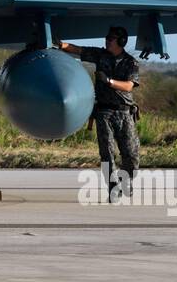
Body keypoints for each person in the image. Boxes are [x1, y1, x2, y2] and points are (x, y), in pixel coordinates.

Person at [55, 27, 141, 199]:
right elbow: (79, 50)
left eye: (111, 38)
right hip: (104, 112)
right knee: (107, 152)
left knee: (131, 153)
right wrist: (60, 44)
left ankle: (127, 180)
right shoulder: (100, 55)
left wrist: (108, 81)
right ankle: (112, 187)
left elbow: (129, 86)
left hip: (124, 112)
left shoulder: (131, 63)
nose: (107, 41)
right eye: (107, 37)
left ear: (121, 41)